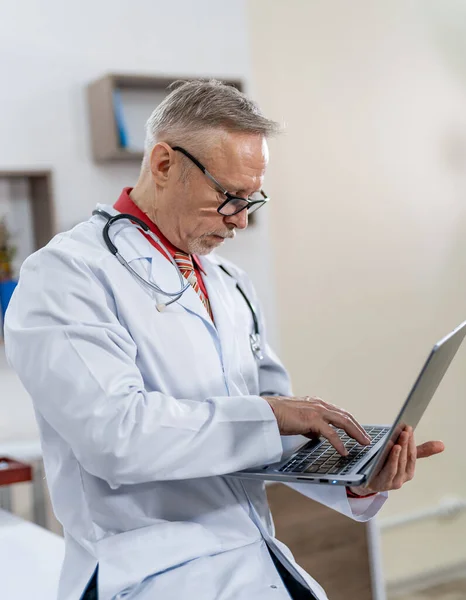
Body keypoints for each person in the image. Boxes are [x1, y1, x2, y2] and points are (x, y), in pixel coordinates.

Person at [4, 80, 444, 600]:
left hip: (252, 555)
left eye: (252, 197)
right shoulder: (66, 274)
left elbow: (273, 430)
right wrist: (272, 415)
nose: (242, 219)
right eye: (228, 197)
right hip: (149, 573)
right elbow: (115, 437)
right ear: (164, 164)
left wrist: (353, 473)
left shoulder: (227, 282)